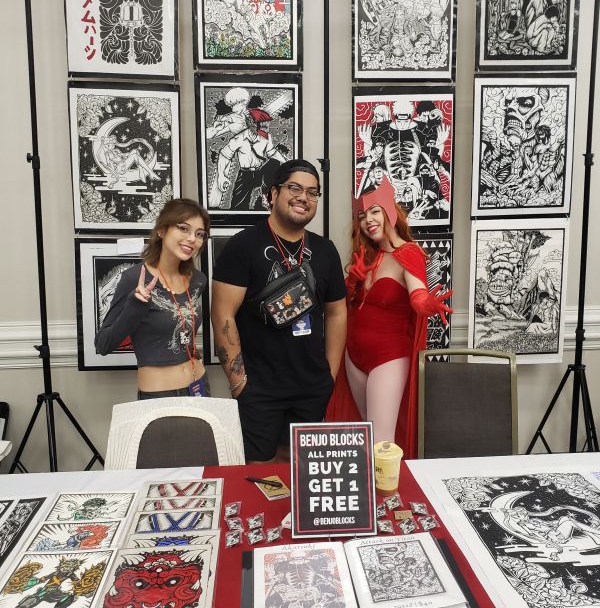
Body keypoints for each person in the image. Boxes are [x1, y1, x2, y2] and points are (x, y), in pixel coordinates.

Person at [211, 159, 347, 463]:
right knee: (258, 473)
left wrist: (329, 376)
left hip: (312, 386)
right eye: (294, 188)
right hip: (259, 388)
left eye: (312, 192)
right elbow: (222, 315)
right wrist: (239, 382)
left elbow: (337, 313)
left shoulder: (326, 250)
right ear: (273, 193)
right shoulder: (242, 246)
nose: (303, 197)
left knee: (301, 469)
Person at [327, 177, 451, 456]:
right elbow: (347, 307)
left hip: (388, 357)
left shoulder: (409, 253)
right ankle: (368, 486)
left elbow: (417, 294)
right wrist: (352, 282)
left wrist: (426, 303)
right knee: (364, 435)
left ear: (390, 212)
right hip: (353, 356)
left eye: (374, 211)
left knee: (380, 444)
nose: (368, 220)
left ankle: (387, 487)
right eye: (362, 216)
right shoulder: (370, 256)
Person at [95, 198, 211, 399]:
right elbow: (103, 345)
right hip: (159, 395)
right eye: (184, 229)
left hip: (198, 386)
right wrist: (134, 305)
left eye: (199, 234)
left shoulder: (198, 280)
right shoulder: (133, 279)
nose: (192, 238)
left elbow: (183, 332)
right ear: (161, 231)